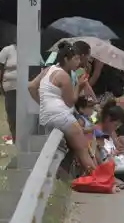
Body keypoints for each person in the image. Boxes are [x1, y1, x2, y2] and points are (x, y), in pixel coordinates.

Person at [28, 42, 95, 174]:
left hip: (47, 117)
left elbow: (31, 87)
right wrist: (79, 86)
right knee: (83, 150)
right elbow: (70, 102)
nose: (79, 62)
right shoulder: (64, 76)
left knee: (77, 146)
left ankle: (88, 175)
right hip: (62, 116)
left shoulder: (48, 70)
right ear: (66, 59)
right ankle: (99, 180)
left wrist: (43, 104)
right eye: (75, 59)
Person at [0, 42, 18, 143]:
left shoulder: (30, 50)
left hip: (26, 87)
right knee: (12, 113)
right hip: (10, 87)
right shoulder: (8, 50)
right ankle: (15, 136)